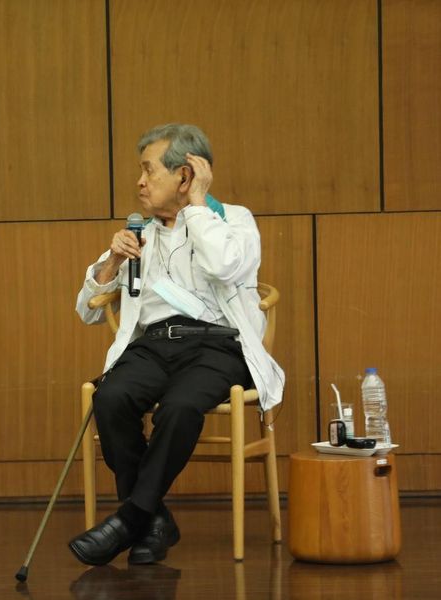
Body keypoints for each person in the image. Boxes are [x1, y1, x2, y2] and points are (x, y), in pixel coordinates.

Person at [69, 123, 284, 566]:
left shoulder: (233, 220)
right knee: (110, 398)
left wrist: (198, 204)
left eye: (149, 171)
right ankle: (154, 521)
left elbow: (225, 266)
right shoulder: (140, 234)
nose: (140, 182)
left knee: (181, 407)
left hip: (218, 347)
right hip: (153, 347)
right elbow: (87, 310)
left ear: (184, 176)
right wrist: (113, 260)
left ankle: (131, 518)